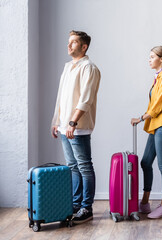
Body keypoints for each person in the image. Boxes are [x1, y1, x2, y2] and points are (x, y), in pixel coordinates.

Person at [51, 30, 101, 224]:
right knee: (73, 166)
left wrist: (73, 122)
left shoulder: (89, 67)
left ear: (84, 46)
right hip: (64, 126)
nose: (69, 45)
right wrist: (57, 121)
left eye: (73, 42)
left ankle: (86, 207)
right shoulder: (67, 67)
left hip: (77, 127)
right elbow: (61, 97)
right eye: (68, 42)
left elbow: (85, 99)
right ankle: (75, 204)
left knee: (84, 166)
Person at [131, 46, 162, 219]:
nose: (149, 60)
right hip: (155, 125)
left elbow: (158, 105)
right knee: (145, 163)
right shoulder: (158, 77)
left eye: (152, 57)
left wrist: (141, 118)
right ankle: (144, 203)